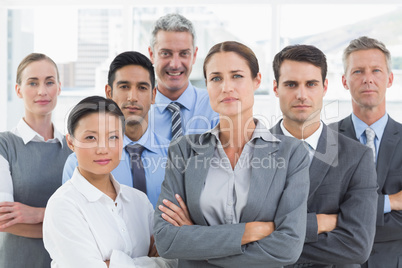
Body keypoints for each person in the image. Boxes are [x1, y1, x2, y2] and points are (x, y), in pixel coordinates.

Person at [154, 41, 310, 267]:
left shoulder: (291, 154)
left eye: (236, 76)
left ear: (257, 80)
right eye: (216, 78)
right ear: (206, 85)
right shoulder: (184, 150)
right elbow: (166, 241)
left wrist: (198, 242)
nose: (226, 87)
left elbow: (288, 247)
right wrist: (248, 232)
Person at [270, 44, 378, 267]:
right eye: (291, 84)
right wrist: (317, 224)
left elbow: (356, 246)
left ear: (325, 87)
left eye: (311, 84)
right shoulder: (251, 149)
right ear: (275, 88)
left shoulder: (357, 157)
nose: (301, 95)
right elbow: (236, 231)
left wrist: (268, 236)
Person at [43, 96, 177, 267]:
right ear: (71, 142)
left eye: (113, 137)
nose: (103, 149)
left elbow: (172, 261)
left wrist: (111, 264)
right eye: (91, 138)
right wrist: (150, 262)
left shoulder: (139, 201)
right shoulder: (63, 205)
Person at [329, 36, 402, 268]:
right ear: (344, 81)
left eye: (376, 71)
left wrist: (344, 218)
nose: (368, 79)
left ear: (390, 79)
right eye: (358, 71)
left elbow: (333, 217)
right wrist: (390, 202)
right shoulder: (325, 140)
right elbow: (317, 211)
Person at [63, 51, 169, 207]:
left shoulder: (174, 155)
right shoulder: (80, 162)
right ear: (109, 93)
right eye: (124, 86)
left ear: (153, 95)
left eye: (142, 87)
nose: (132, 97)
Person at [0, 53, 72, 267]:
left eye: (49, 82)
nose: (42, 91)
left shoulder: (74, 148)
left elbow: (85, 217)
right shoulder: (4, 145)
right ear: (18, 90)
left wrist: (38, 213)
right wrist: (63, 228)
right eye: (33, 82)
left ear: (58, 88)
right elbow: (4, 220)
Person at [148, 13, 219, 142]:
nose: (175, 64)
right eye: (165, 53)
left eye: (184, 54)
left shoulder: (216, 106)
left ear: (194, 55)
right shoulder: (138, 111)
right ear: (152, 55)